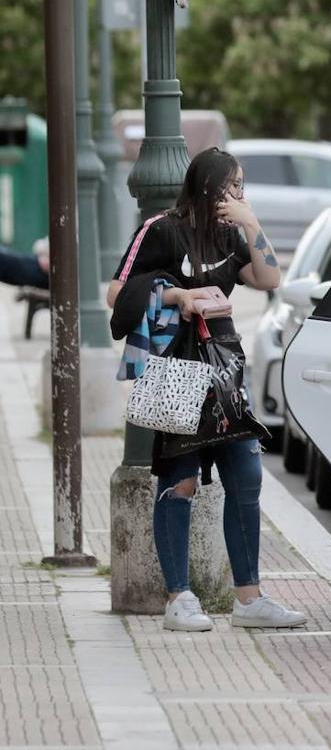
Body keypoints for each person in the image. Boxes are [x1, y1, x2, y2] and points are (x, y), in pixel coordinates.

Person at [106, 147, 306, 633]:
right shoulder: (161, 229)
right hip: (177, 369)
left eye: (242, 189)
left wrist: (251, 221)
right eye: (233, 187)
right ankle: (180, 597)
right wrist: (176, 295)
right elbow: (117, 292)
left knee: (247, 477)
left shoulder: (232, 235)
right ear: (208, 186)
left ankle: (249, 598)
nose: (238, 195)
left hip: (225, 370)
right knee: (180, 481)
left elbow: (269, 277)